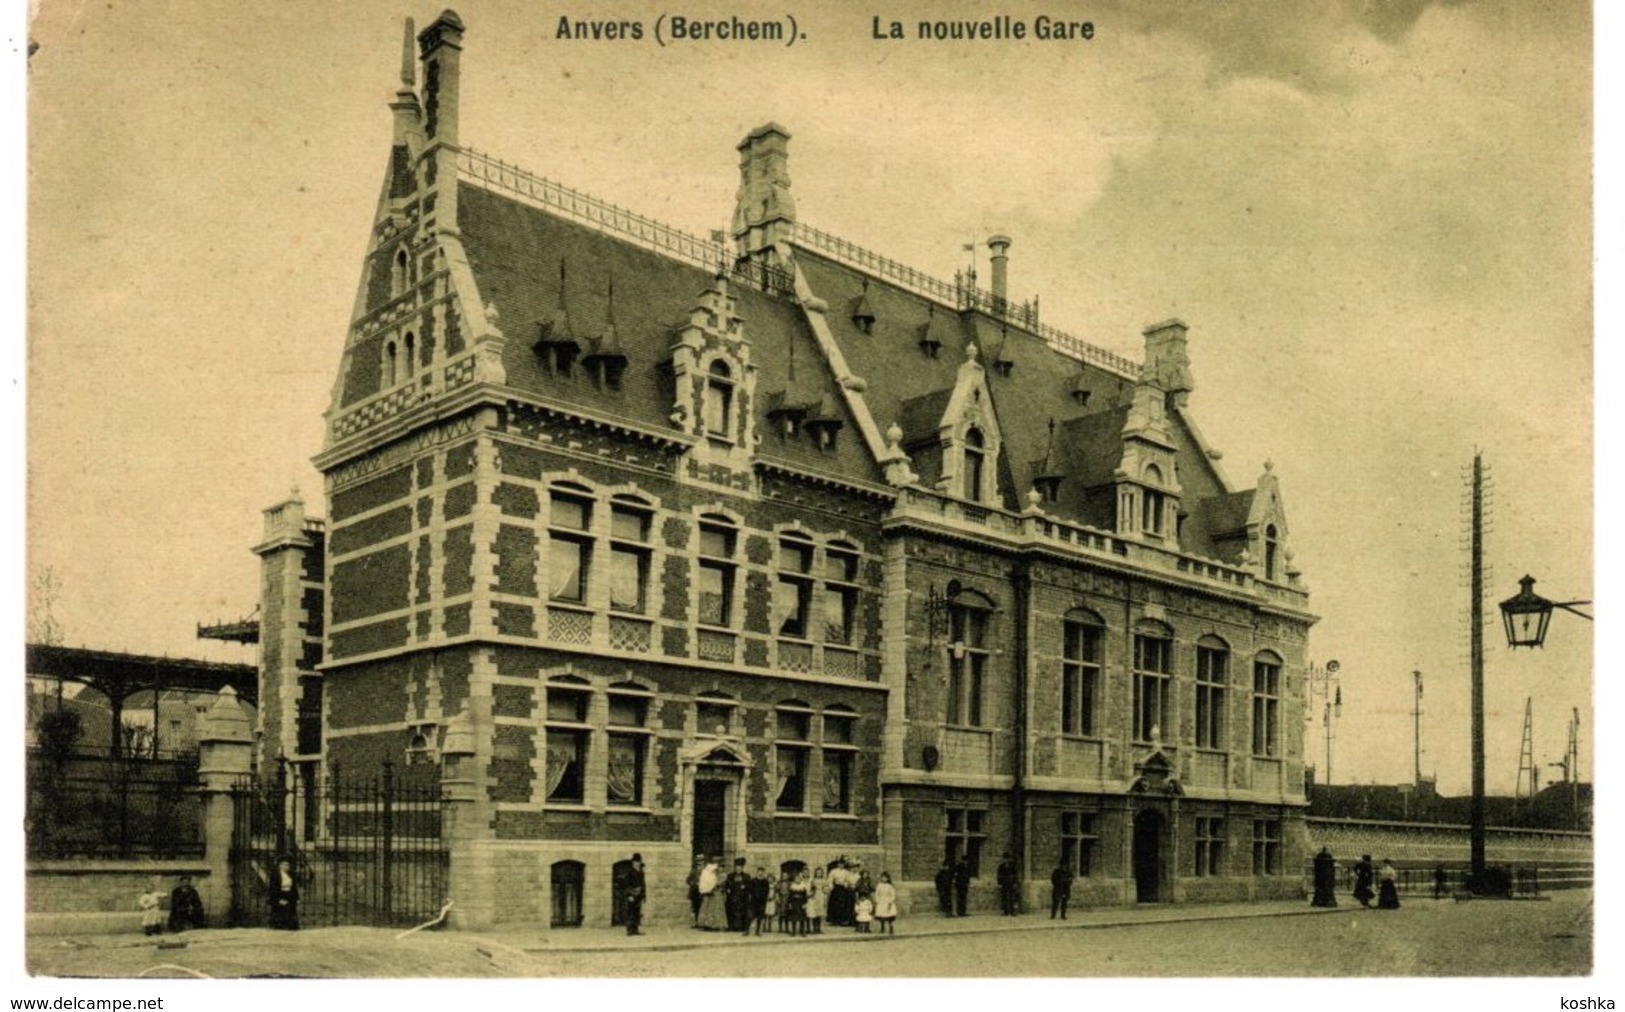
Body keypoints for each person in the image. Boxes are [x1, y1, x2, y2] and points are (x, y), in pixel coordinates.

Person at [696, 856, 728, 930]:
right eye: (718, 867)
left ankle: (717, 925)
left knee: (717, 909)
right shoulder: (713, 873)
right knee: (710, 909)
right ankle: (709, 924)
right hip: (712, 894)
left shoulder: (723, 875)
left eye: (720, 867)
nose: (719, 869)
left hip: (718, 894)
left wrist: (712, 887)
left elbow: (719, 884)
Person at [268, 857, 299, 930]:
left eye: (288, 865)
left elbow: (294, 887)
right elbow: (273, 889)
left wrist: (297, 898)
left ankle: (291, 928)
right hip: (280, 895)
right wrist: (278, 899)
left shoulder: (291, 874)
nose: (286, 867)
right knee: (280, 913)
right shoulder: (275, 875)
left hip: (290, 895)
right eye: (284, 865)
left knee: (291, 912)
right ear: (280, 865)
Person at [620, 853, 647, 936]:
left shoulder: (641, 872)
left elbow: (643, 884)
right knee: (630, 912)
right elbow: (626, 885)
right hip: (632, 895)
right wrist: (629, 895)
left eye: (638, 862)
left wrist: (643, 895)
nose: (637, 863)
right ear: (633, 862)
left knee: (637, 913)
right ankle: (629, 930)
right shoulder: (629, 872)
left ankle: (635, 929)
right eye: (635, 862)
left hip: (638, 895)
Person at [725, 858, 753, 933]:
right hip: (732, 897)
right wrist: (728, 889)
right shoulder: (730, 876)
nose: (738, 869)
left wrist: (745, 887)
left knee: (742, 912)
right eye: (736, 868)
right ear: (734, 868)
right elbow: (727, 885)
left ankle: (741, 927)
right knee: (731, 912)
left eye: (739, 868)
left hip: (742, 897)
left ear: (742, 868)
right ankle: (731, 926)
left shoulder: (746, 876)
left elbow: (750, 886)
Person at [826, 859, 855, 927]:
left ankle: (842, 920)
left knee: (843, 904)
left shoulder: (846, 872)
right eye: (839, 864)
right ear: (837, 864)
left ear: (844, 865)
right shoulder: (833, 871)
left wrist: (846, 884)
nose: (841, 865)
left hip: (843, 889)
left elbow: (849, 880)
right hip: (836, 889)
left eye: (842, 864)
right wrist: (831, 886)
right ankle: (834, 920)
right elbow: (830, 879)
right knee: (835, 904)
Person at [749, 866, 773, 936]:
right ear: (757, 872)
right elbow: (750, 890)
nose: (760, 873)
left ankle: (757, 931)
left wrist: (763, 899)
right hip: (754, 901)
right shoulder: (753, 880)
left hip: (762, 902)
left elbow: (766, 891)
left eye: (762, 872)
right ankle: (747, 930)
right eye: (759, 872)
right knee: (751, 916)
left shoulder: (765, 882)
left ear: (764, 873)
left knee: (760, 917)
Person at [805, 865, 828, 934]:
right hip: (815, 896)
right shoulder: (813, 880)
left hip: (821, 895)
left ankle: (818, 928)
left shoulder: (824, 880)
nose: (819, 874)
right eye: (817, 873)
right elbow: (811, 889)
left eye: (820, 873)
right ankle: (814, 928)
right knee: (814, 912)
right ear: (815, 873)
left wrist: (825, 891)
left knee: (820, 913)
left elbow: (826, 889)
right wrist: (812, 893)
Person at [686, 855, 706, 926]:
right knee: (694, 907)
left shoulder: (705, 872)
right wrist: (693, 883)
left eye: (702, 862)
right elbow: (688, 880)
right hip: (694, 891)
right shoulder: (693, 871)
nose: (700, 864)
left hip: (702, 891)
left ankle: (701, 922)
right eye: (699, 862)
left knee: (702, 906)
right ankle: (695, 922)